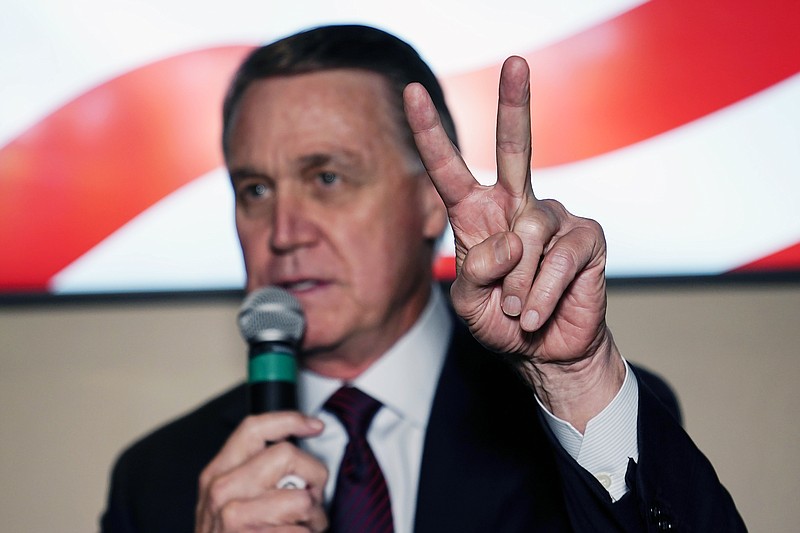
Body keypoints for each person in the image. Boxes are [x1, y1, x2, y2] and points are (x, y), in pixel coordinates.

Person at [101, 24, 745, 532]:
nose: (283, 231)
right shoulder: (161, 481)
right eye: (257, 188)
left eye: (327, 178)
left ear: (432, 199)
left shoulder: (575, 418)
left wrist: (574, 376)